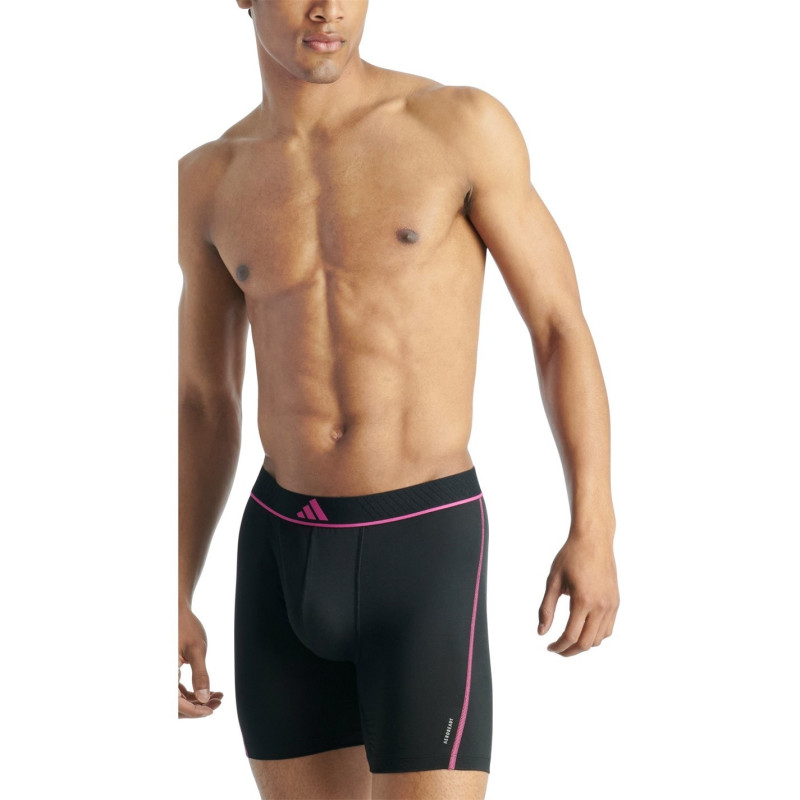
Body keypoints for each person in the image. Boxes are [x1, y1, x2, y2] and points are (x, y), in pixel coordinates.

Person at [178, 1, 620, 798]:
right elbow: (205, 401)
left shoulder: (457, 128)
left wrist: (595, 526)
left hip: (421, 546)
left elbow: (558, 327)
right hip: (279, 549)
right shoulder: (210, 179)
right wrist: (170, 589)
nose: (329, 7)